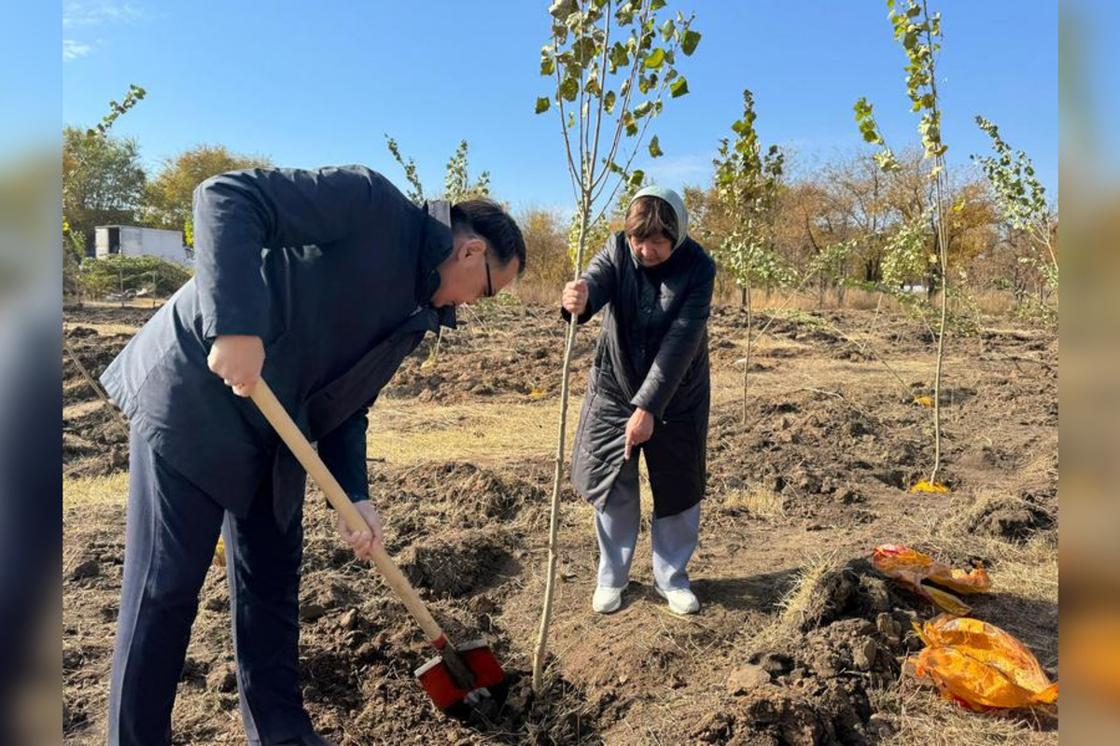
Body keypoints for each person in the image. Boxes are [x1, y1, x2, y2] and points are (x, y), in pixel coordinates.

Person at [99, 165, 525, 745]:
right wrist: (236, 326)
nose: (474, 304)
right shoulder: (372, 205)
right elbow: (226, 197)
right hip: (195, 398)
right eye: (487, 291)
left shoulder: (415, 311)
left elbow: (350, 405)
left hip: (277, 430)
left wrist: (357, 496)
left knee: (272, 584)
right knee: (166, 589)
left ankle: (281, 734)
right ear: (472, 251)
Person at [561, 186, 715, 616]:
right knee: (614, 483)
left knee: (677, 487)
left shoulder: (699, 268)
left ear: (677, 235)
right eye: (637, 239)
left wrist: (648, 408)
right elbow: (596, 280)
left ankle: (673, 579)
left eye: (657, 242)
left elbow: (682, 341)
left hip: (678, 393)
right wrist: (582, 298)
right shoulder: (615, 250)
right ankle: (612, 576)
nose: (644, 250)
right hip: (613, 387)